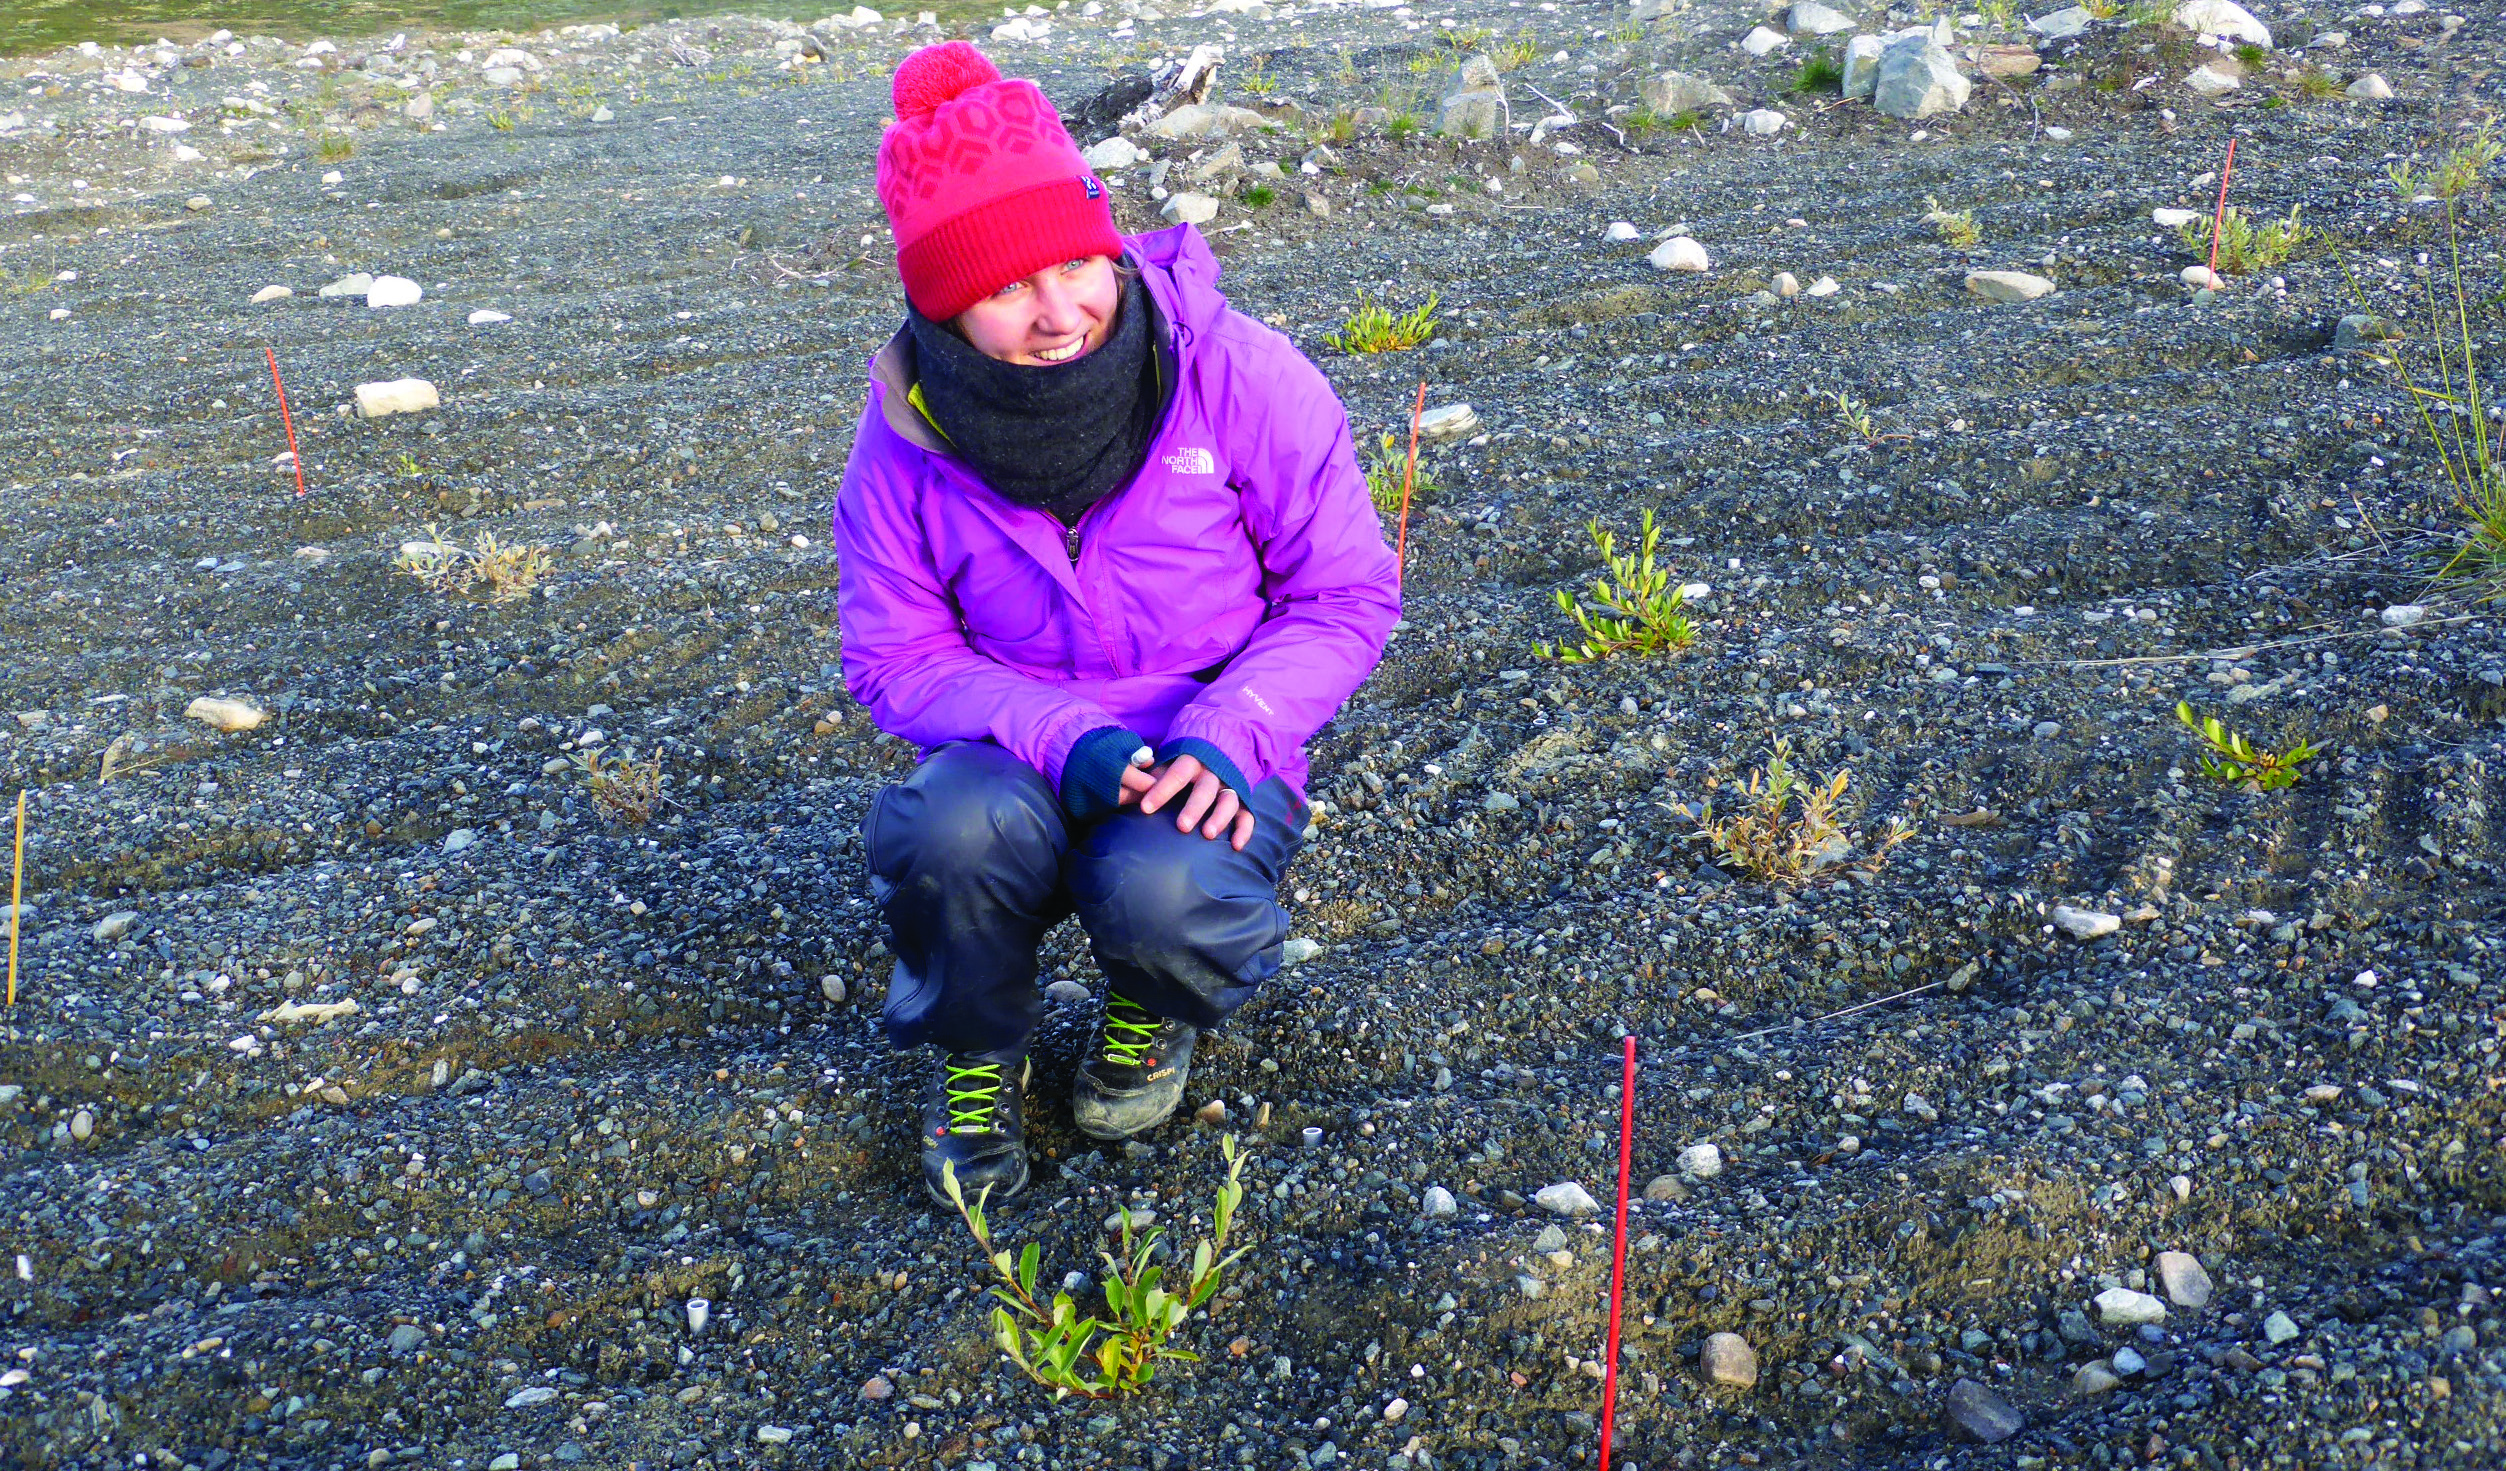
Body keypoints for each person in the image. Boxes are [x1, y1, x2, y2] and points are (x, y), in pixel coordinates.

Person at [834, 41, 1401, 1204]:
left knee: (1164, 891)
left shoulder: (1241, 375)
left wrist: (1234, 727)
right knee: (947, 836)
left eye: (1075, 267)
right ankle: (975, 1052)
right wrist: (1053, 733)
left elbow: (1342, 595)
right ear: (943, 308)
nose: (1058, 315)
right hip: (1013, 747)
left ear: (1107, 241)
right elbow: (893, 655)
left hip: (1210, 732)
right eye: (1003, 290)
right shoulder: (906, 435)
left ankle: (1151, 1009)